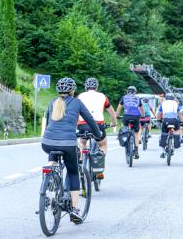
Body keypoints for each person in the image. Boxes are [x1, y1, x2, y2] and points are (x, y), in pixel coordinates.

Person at [42, 77, 102, 223]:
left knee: (53, 154)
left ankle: (49, 179)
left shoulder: (52, 102)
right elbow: (89, 119)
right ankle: (75, 209)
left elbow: (51, 122)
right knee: (73, 172)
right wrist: (98, 135)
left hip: (47, 142)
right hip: (68, 143)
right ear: (72, 90)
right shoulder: (76, 102)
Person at [77, 78, 117, 179]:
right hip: (97, 125)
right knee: (103, 145)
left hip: (83, 125)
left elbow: (75, 111)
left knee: (82, 143)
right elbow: (111, 111)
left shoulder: (80, 96)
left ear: (86, 87)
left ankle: (81, 160)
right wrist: (114, 122)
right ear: (97, 87)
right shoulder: (102, 96)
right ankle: (99, 166)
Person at [116, 86, 144, 159]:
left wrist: (117, 115)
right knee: (136, 133)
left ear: (127, 91)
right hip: (136, 117)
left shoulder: (124, 97)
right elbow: (141, 108)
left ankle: (123, 135)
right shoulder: (138, 98)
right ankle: (136, 151)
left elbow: (119, 107)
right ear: (135, 92)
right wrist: (143, 115)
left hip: (126, 115)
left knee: (124, 125)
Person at [157, 93, 183, 158]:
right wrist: (181, 121)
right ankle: (176, 143)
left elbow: (159, 113)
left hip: (166, 120)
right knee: (176, 131)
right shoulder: (175, 103)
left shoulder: (163, 103)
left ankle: (163, 152)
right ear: (173, 98)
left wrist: (158, 120)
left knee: (164, 133)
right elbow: (180, 113)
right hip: (174, 120)